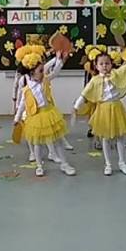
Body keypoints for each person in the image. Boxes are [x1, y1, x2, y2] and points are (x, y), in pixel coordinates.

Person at [75, 48, 126, 176]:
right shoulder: (94, 80)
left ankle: (122, 162)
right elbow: (84, 93)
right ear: (96, 66)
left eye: (107, 63)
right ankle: (108, 164)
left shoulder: (115, 74)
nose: (104, 66)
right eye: (101, 64)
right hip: (103, 111)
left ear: (111, 64)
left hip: (116, 108)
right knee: (106, 138)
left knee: (120, 137)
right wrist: (76, 106)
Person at [13, 47, 76, 177]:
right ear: (32, 72)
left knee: (57, 141)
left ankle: (64, 164)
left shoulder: (45, 80)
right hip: (35, 117)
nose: (43, 73)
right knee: (37, 144)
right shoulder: (26, 89)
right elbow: (22, 105)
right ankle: (39, 166)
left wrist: (59, 60)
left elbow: (55, 72)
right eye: (40, 71)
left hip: (49, 114)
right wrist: (17, 118)